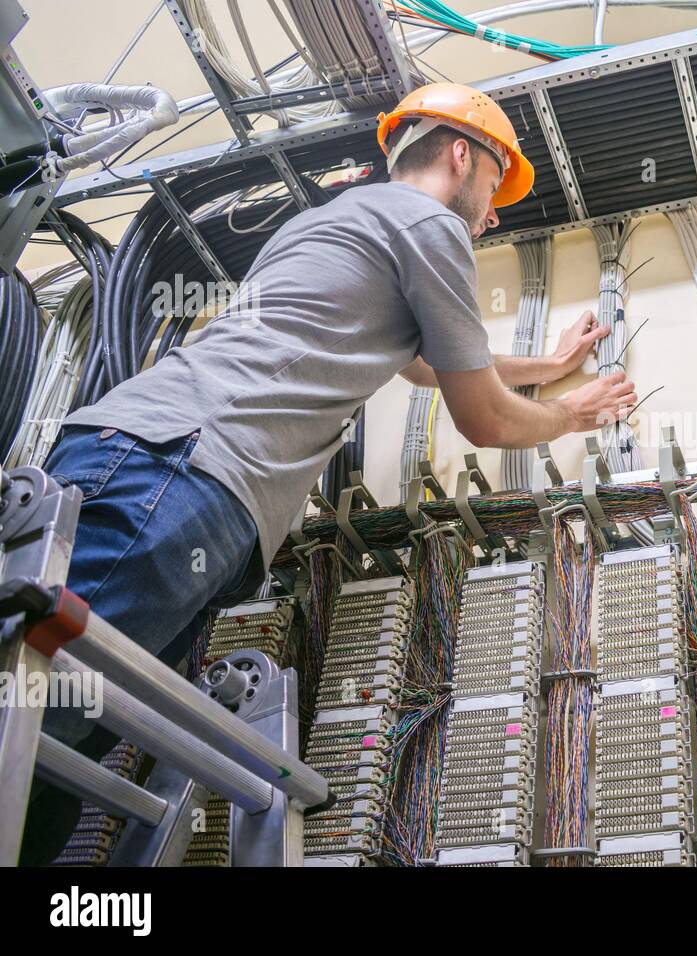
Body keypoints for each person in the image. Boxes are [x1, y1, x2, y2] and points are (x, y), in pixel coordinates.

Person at [21, 82, 637, 864]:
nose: (494, 212)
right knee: (35, 697)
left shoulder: (335, 221)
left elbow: (421, 365)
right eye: (494, 186)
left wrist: (546, 365)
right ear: (461, 155)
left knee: (55, 747)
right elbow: (479, 416)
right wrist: (571, 414)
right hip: (182, 466)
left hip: (164, 464)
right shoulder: (429, 226)